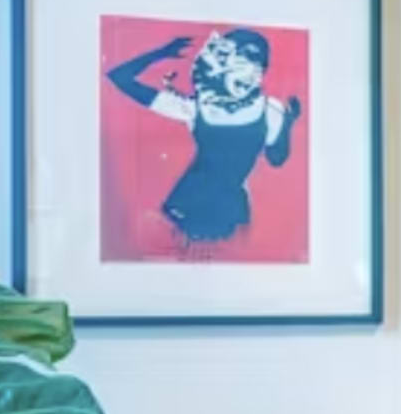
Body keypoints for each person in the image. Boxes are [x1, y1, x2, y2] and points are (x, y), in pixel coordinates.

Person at [107, 27, 299, 248]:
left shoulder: (270, 110)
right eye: (243, 59)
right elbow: (119, 77)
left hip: (232, 214)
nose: (252, 72)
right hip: (185, 210)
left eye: (259, 64)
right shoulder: (197, 107)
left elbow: (277, 158)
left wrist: (288, 124)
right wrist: (161, 53)